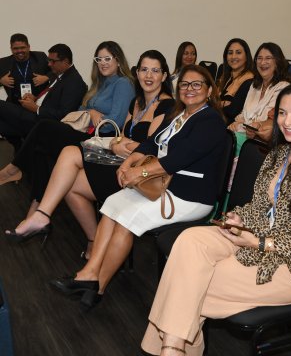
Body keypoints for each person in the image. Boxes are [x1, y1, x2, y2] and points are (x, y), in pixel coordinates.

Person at [140, 81, 291, 356]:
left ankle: (171, 349)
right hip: (257, 238)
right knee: (189, 242)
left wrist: (259, 243)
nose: (287, 121)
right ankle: (174, 348)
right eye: (283, 113)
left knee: (187, 285)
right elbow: (260, 204)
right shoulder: (279, 154)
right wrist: (239, 218)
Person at [48, 64, 227, 309]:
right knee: (112, 204)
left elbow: (178, 159)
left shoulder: (210, 121)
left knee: (124, 219)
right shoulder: (179, 115)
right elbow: (151, 144)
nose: (189, 89)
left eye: (197, 84)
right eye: (184, 84)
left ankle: (97, 286)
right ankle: (90, 274)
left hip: (190, 196)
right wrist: (128, 162)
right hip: (165, 187)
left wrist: (138, 172)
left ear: (209, 91)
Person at [5, 50, 174, 259]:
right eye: (144, 70)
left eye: (155, 71)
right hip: (118, 159)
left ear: (164, 76)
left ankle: (43, 214)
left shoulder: (167, 105)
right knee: (68, 176)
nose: (149, 76)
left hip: (136, 174)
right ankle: (83, 236)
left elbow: (151, 149)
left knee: (59, 148)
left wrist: (123, 145)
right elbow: (120, 138)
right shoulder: (137, 102)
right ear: (137, 73)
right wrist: (121, 144)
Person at [0, 41, 135, 210]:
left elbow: (114, 122)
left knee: (44, 127)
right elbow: (80, 109)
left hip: (100, 141)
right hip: (85, 132)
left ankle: (15, 169)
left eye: (107, 58)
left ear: (118, 59)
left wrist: (91, 112)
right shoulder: (100, 82)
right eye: (99, 59)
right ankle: (37, 209)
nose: (103, 63)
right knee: (41, 148)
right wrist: (91, 112)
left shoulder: (122, 83)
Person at [0, 43, 87, 151]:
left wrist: (36, 109)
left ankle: (23, 149)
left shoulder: (74, 82)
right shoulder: (61, 75)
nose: (49, 64)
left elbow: (64, 114)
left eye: (52, 61)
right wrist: (34, 98)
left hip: (42, 121)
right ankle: (23, 148)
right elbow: (49, 96)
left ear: (64, 61)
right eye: (48, 60)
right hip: (35, 114)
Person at [228, 42, 290, 146]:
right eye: (259, 58)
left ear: (277, 62)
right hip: (242, 134)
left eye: (268, 58)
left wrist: (243, 125)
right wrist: (236, 123)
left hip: (260, 142)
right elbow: (244, 113)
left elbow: (267, 121)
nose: (262, 62)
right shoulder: (254, 85)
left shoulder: (284, 87)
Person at [0, 33, 50, 104]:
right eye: (15, 48)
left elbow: (57, 72)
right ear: (11, 49)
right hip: (15, 104)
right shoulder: (3, 62)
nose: (19, 51)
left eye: (22, 47)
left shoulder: (40, 57)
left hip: (38, 102)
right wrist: (1, 81)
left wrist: (46, 77)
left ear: (28, 47)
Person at [219, 38, 254, 125]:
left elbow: (233, 111)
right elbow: (210, 101)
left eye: (238, 52)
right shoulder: (226, 78)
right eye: (230, 53)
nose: (233, 56)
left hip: (231, 129)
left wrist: (218, 104)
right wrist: (223, 103)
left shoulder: (250, 81)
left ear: (246, 56)